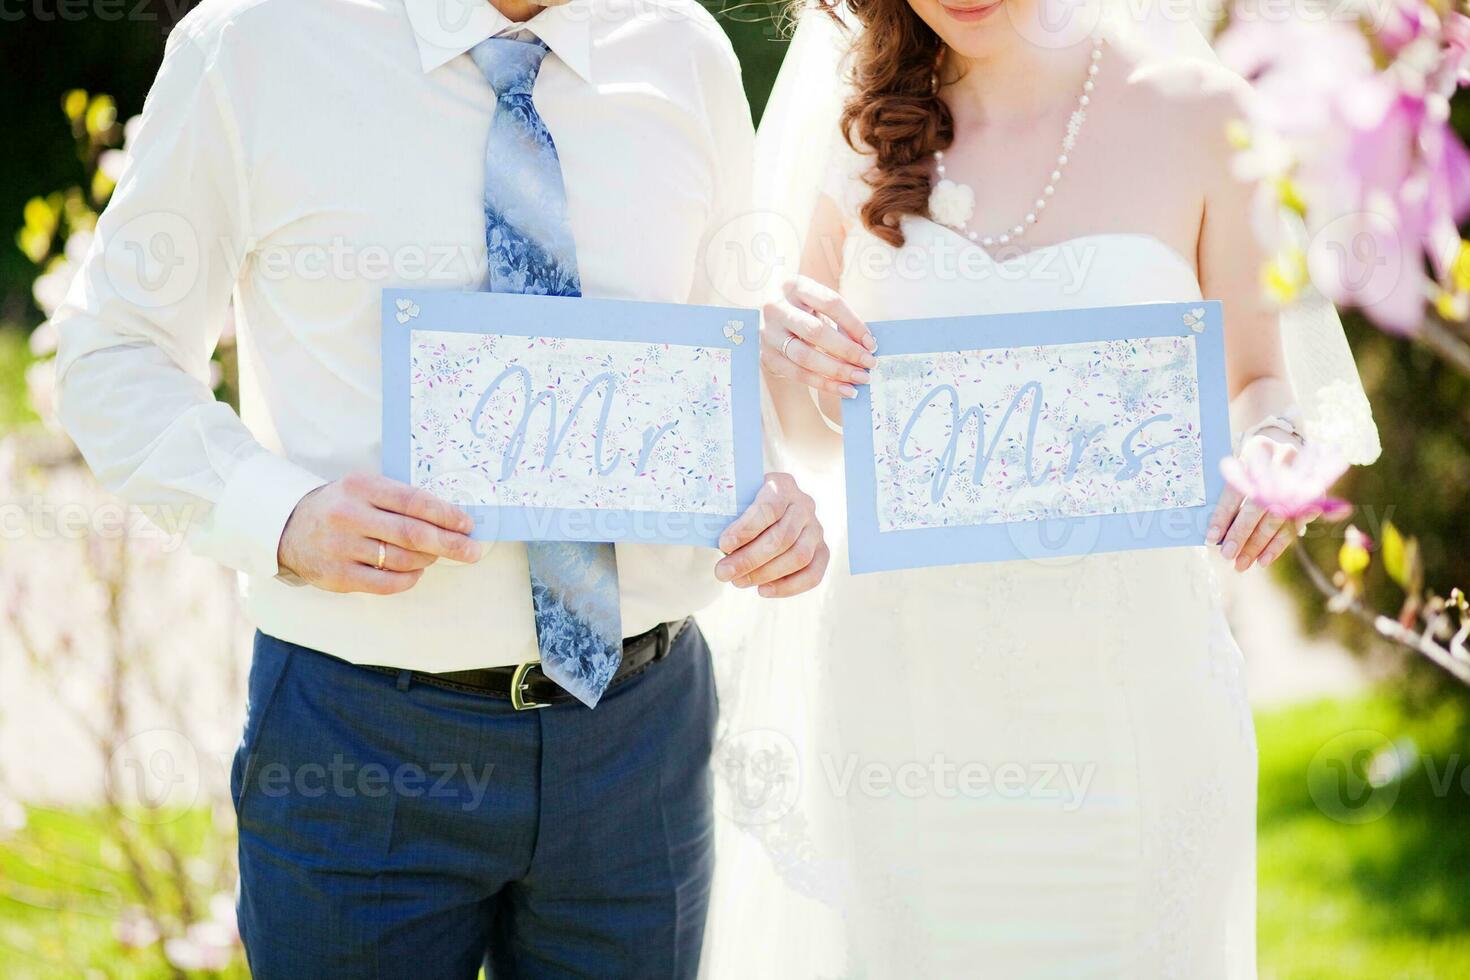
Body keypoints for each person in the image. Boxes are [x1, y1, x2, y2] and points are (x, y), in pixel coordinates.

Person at [51, 0, 828, 975]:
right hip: (360, 739)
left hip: (641, 736)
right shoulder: (252, 45)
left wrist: (771, 499)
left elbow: (721, 356)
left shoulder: (684, 51)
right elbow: (112, 351)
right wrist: (281, 515)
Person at [705, 0, 1378, 975]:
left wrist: (1272, 447)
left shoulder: (1199, 115)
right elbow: (814, 438)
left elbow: (1259, 378)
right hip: (904, 717)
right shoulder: (855, 132)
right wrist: (803, 358)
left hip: (1133, 707)